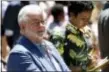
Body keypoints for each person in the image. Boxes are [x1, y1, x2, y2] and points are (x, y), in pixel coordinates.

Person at [7, 5, 70, 72]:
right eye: (36, 22)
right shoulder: (19, 54)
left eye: (43, 21)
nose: (42, 26)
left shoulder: (49, 45)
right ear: (23, 27)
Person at [63, 1, 94, 72]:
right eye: (83, 19)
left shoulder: (84, 30)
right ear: (72, 15)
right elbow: (57, 66)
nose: (86, 23)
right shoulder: (60, 35)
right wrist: (84, 67)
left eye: (88, 19)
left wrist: (89, 59)